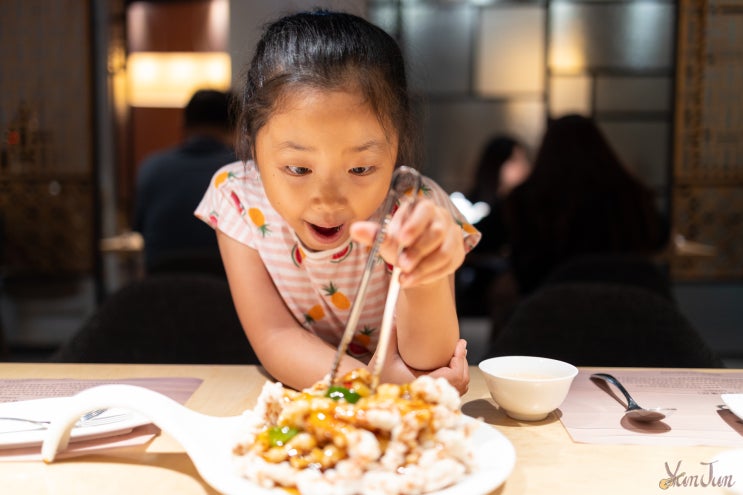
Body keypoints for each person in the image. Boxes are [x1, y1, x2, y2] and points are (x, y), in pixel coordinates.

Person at [195, 10, 480, 394]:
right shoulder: (238, 198)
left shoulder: (415, 207)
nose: (328, 200)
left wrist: (423, 275)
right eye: (298, 168)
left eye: (361, 169)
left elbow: (429, 364)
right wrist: (377, 383)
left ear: (397, 145)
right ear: (252, 142)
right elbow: (275, 337)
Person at [503, 114, 666, 296]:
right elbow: (659, 236)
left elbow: (490, 238)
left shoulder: (528, 197)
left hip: (547, 307)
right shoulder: (629, 194)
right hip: (630, 302)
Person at [134, 89, 237, 275]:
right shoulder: (241, 171)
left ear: (183, 124)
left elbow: (139, 228)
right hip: (225, 288)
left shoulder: (152, 168)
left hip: (161, 285)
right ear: (234, 127)